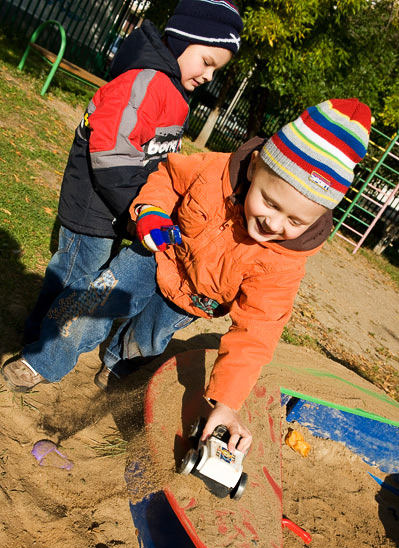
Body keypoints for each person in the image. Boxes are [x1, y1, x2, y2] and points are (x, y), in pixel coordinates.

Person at [2, 98, 371, 453]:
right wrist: (151, 210)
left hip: (195, 297)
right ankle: (43, 359)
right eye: (270, 203)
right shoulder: (214, 172)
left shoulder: (284, 263)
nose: (273, 223)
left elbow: (257, 332)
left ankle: (116, 366)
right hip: (160, 250)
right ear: (256, 166)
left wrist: (226, 402)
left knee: (147, 341)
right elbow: (168, 178)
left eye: (295, 221)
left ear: (318, 218)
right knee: (92, 301)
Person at [23, 0, 243, 344]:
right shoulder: (144, 82)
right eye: (206, 62)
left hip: (120, 209)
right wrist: (137, 209)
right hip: (94, 209)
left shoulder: (173, 91)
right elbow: (111, 154)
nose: (208, 76)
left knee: (95, 278)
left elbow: (162, 154)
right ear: (183, 41)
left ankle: (60, 335)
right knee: (74, 274)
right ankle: (39, 338)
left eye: (216, 70)